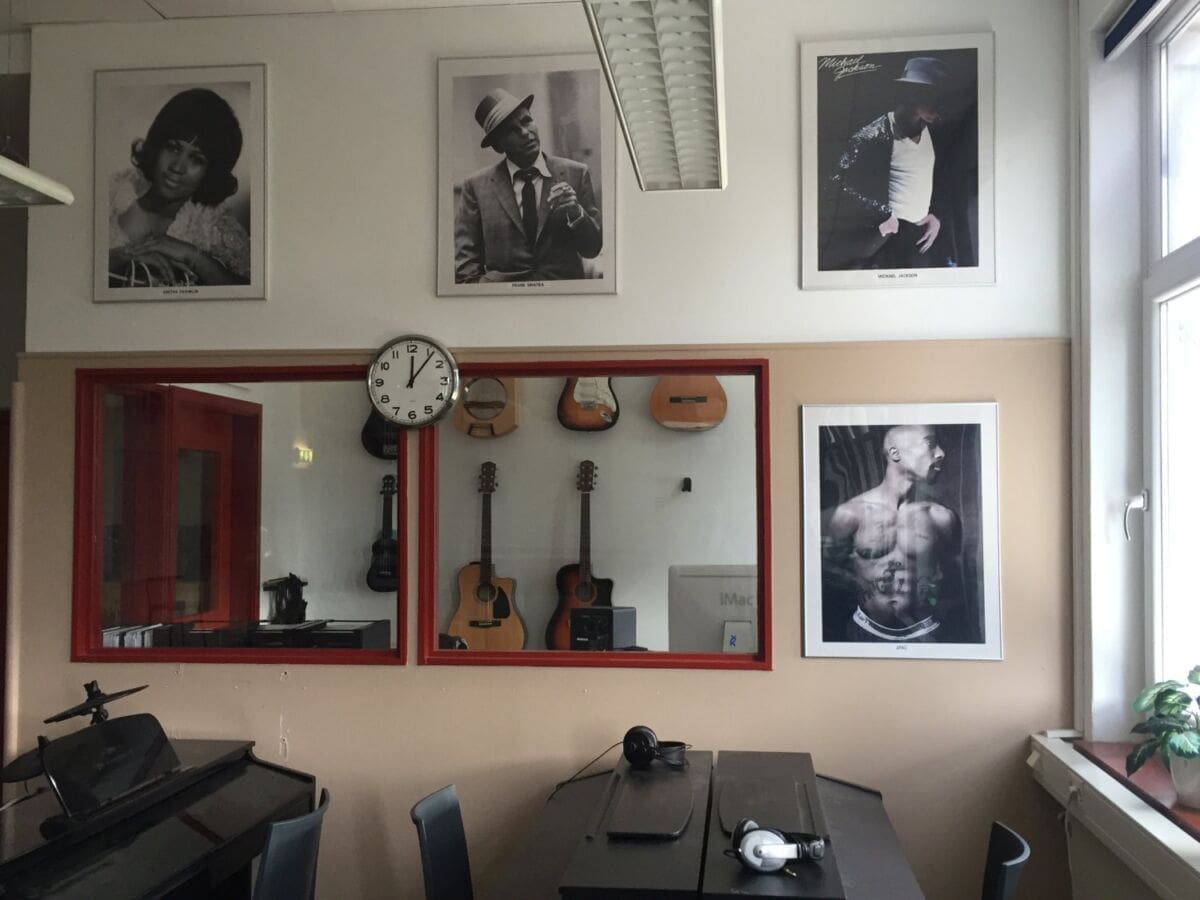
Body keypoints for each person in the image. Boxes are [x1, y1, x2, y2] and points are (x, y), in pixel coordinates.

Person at [821, 425, 964, 642]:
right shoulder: (849, 514)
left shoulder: (941, 517)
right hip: (866, 632)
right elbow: (824, 577)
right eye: (930, 444)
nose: (941, 453)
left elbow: (955, 585)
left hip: (926, 632)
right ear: (895, 453)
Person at [820, 56, 958, 271]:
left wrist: (934, 214)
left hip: (917, 236)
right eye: (934, 96)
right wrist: (882, 215)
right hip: (883, 243)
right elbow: (832, 185)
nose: (941, 106)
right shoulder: (873, 135)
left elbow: (931, 175)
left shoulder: (930, 129)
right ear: (913, 94)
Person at [454, 88, 602, 283]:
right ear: (498, 145)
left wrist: (576, 213)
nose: (525, 133)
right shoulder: (475, 187)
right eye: (511, 130)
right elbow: (465, 265)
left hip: (562, 295)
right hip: (504, 298)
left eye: (526, 121)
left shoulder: (576, 173)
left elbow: (592, 249)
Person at [108, 87, 250, 288]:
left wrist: (193, 256)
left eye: (196, 159)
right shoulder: (114, 191)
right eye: (173, 148)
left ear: (211, 171)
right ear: (158, 145)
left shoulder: (212, 224)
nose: (177, 167)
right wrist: (117, 258)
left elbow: (256, 290)